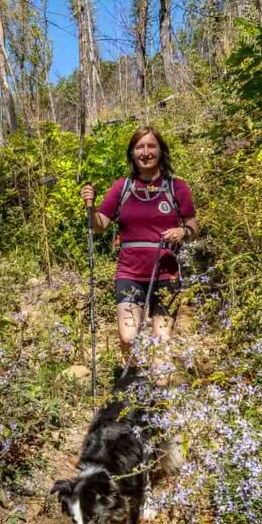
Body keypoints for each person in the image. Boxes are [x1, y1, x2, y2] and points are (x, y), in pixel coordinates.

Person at [81, 126, 198, 376]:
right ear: (132, 153)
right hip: (130, 274)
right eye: (139, 147)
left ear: (161, 151)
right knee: (128, 337)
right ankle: (133, 383)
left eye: (151, 146)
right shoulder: (122, 187)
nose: (145, 152)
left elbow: (193, 227)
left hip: (167, 275)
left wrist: (182, 231)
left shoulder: (177, 187)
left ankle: (158, 392)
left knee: (161, 342)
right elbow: (99, 225)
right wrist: (89, 206)